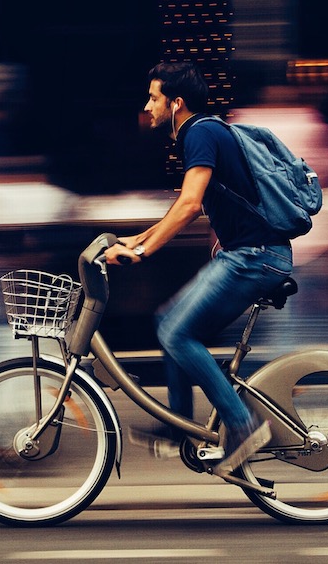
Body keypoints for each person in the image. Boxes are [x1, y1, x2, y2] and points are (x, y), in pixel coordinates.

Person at [104, 61, 293, 476]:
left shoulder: (200, 132)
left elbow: (189, 205)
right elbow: (187, 208)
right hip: (248, 254)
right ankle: (180, 428)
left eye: (154, 97)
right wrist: (138, 239)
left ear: (177, 103)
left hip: (255, 256)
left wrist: (144, 252)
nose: (148, 105)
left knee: (176, 331)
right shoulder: (204, 131)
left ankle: (244, 426)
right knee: (167, 319)